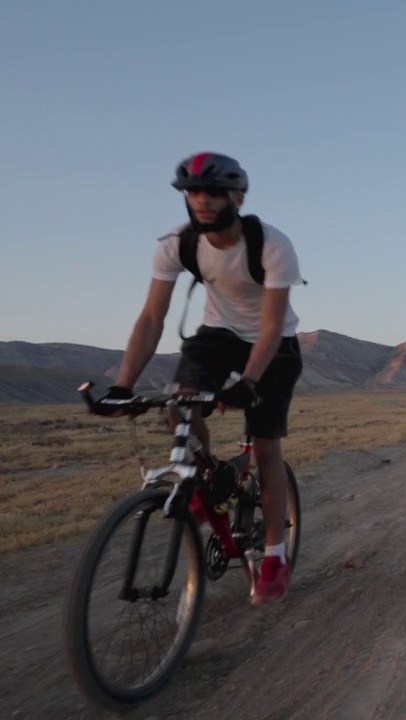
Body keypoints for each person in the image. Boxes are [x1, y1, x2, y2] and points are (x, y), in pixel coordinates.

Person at [101, 152, 305, 605]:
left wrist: (248, 382)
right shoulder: (178, 243)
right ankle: (209, 477)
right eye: (193, 192)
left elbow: (271, 326)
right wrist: (122, 385)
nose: (202, 201)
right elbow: (152, 317)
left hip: (275, 344)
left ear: (238, 196)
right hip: (218, 335)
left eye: (213, 192)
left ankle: (273, 555)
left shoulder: (272, 245)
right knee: (179, 402)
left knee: (267, 446)